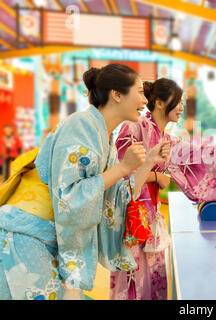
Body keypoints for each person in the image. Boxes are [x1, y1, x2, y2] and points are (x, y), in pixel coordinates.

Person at [0, 63, 170, 300]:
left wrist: (150, 160)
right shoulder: (79, 126)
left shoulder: (103, 135)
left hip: (43, 235)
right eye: (140, 91)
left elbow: (115, 194)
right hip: (24, 234)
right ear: (117, 95)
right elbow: (70, 197)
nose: (145, 99)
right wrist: (123, 167)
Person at [110, 78, 216, 300]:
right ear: (160, 103)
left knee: (155, 280)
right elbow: (120, 174)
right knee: (133, 283)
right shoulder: (133, 127)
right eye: (178, 101)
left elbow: (197, 153)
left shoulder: (166, 139)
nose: (182, 107)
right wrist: (157, 176)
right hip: (131, 220)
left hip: (151, 219)